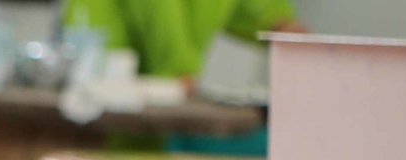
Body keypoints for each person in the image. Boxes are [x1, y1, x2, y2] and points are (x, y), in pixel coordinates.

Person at [61, 0, 304, 84]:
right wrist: (178, 65)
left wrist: (278, 23)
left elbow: (250, 7)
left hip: (164, 80)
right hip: (105, 53)